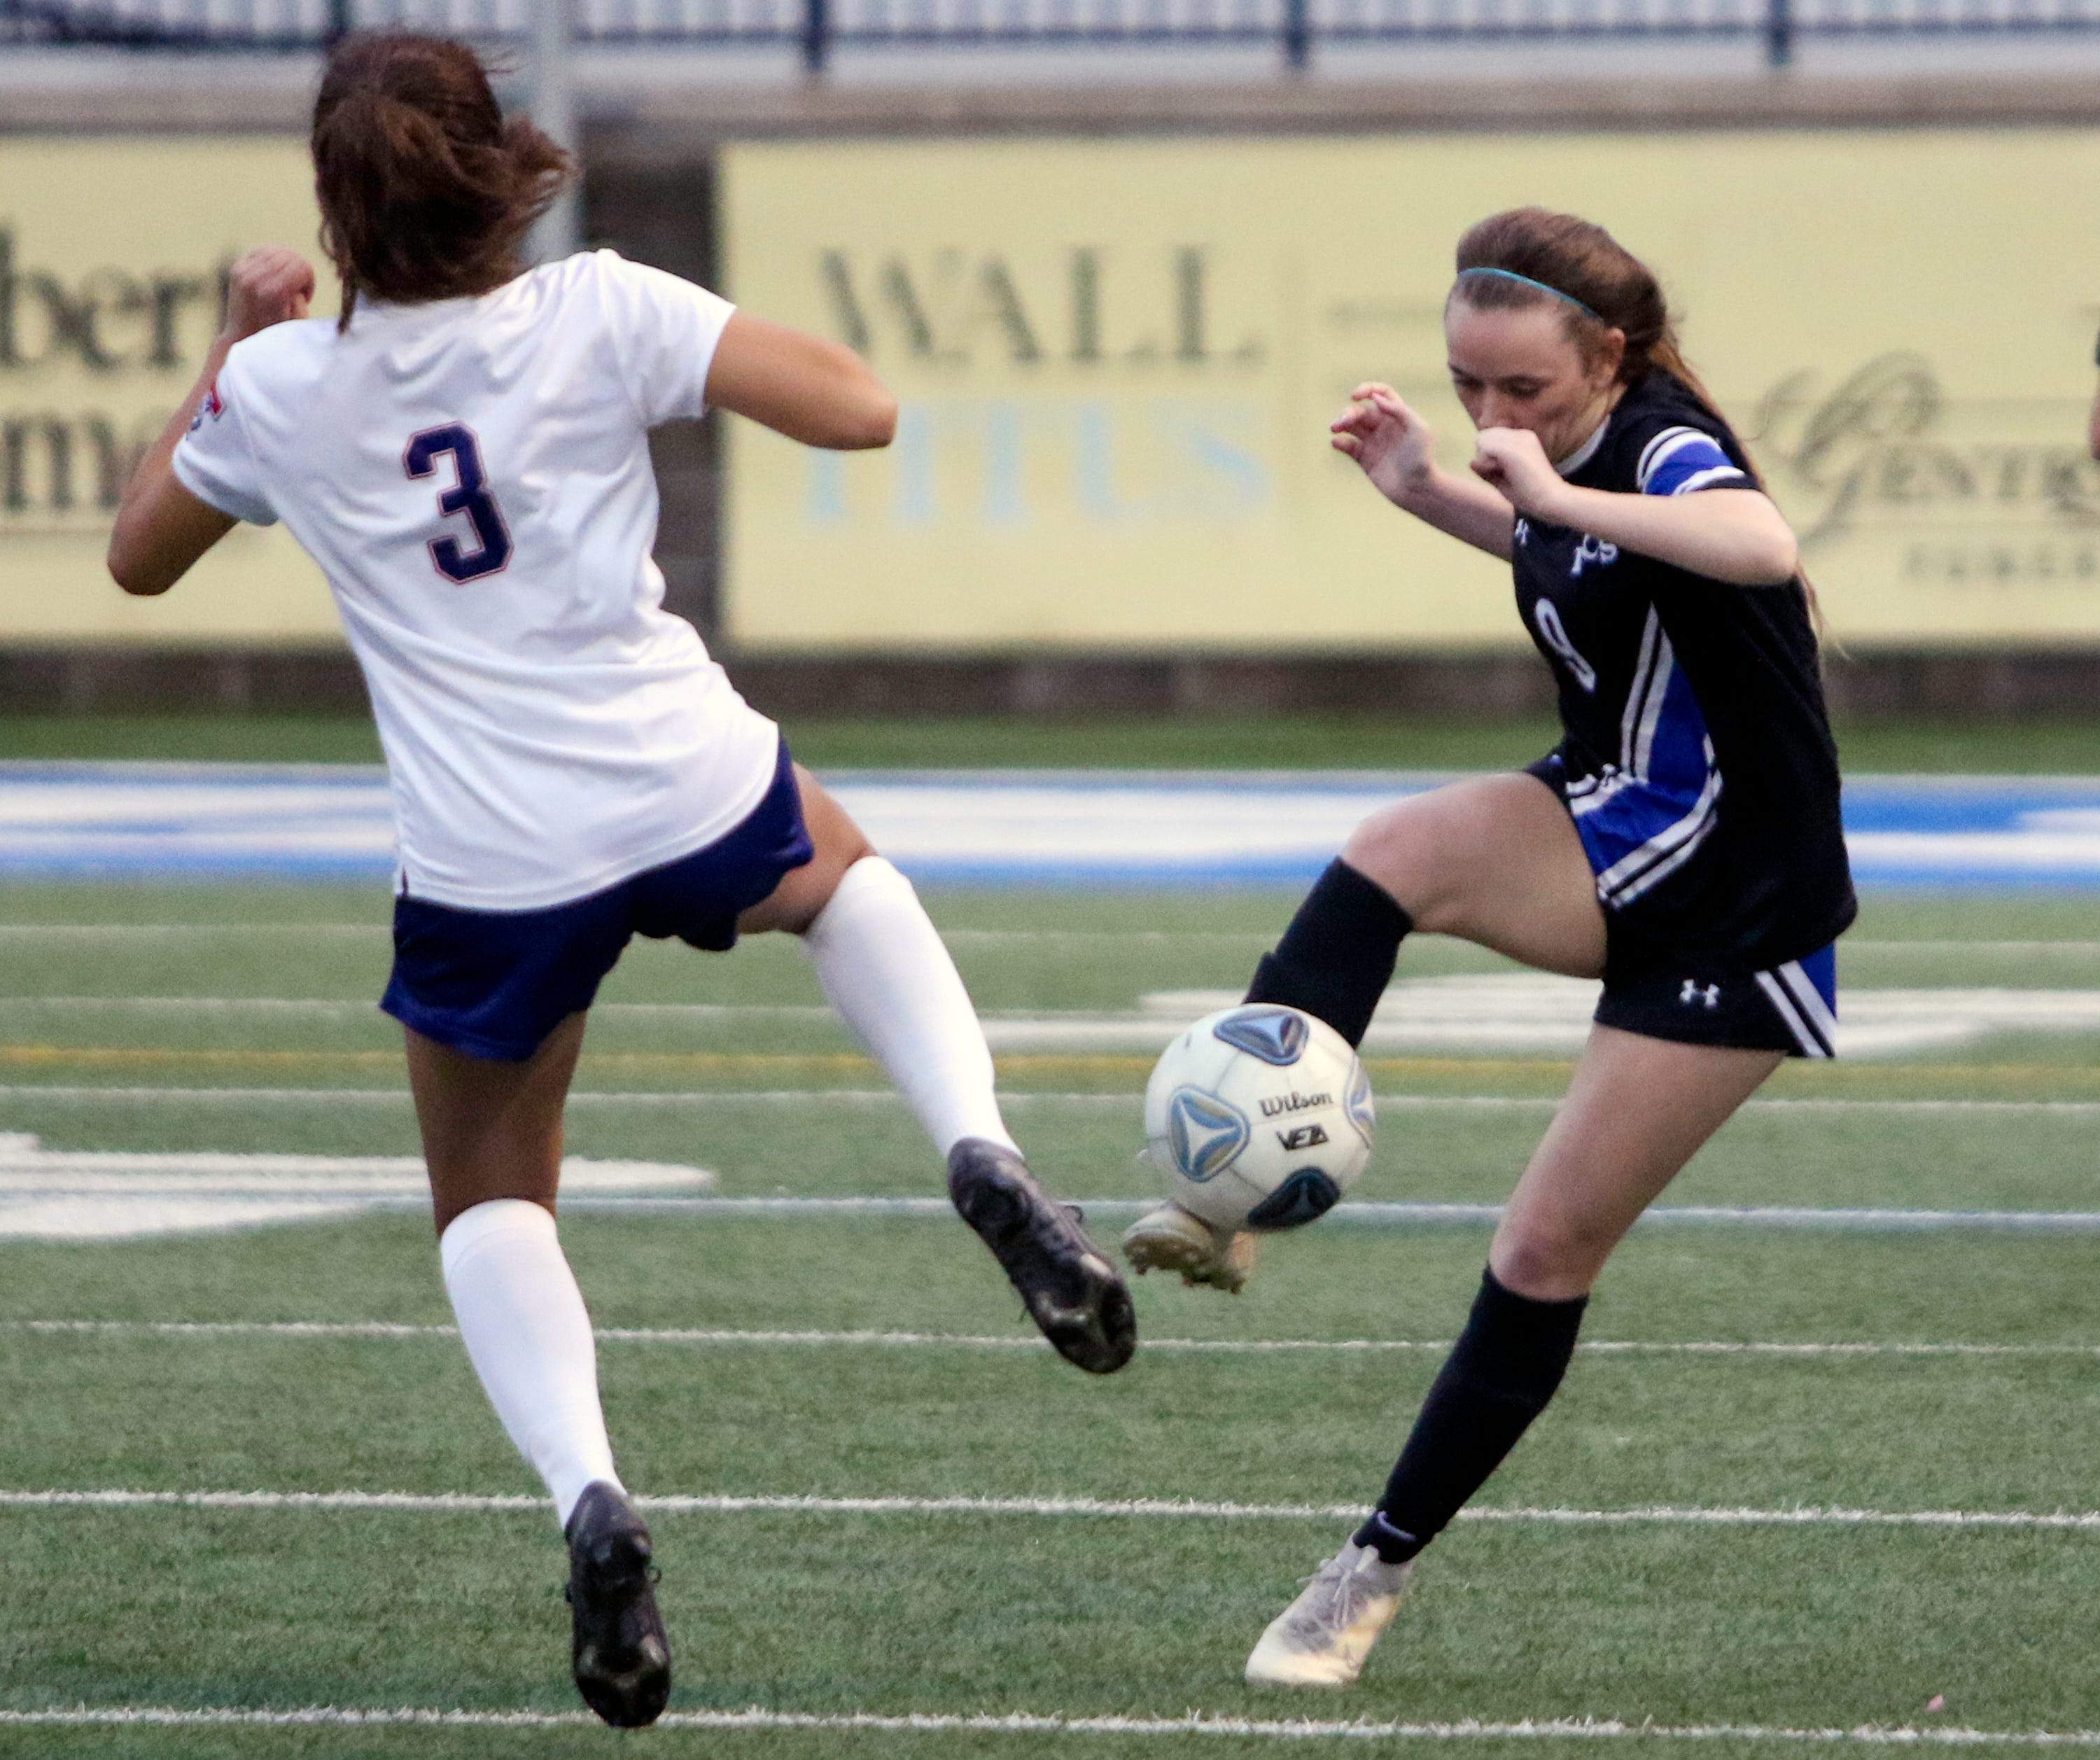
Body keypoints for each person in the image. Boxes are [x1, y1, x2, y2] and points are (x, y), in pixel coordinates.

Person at [106, 32, 1135, 1729]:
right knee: (844, 881)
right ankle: (987, 1154)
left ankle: (593, 1501)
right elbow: (864, 411)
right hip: (679, 773)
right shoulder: (598, 306)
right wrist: (678, 344)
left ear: (338, 209)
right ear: (498, 165)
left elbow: (140, 555)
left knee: (493, 1201)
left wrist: (235, 343)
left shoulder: (286, 390)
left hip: (487, 856)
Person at [1121, 207, 1854, 1687]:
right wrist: (1426, 490)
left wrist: (1545, 492)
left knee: (1540, 1248)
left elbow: (1759, 541)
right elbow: (1559, 546)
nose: (1493, 415)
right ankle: (1236, 1193)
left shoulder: (1654, 444)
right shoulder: (1556, 455)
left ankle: (1363, 1576)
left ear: (1614, 357)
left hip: (1739, 897)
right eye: (1469, 387)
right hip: (1612, 816)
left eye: (1523, 390)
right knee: (1388, 851)